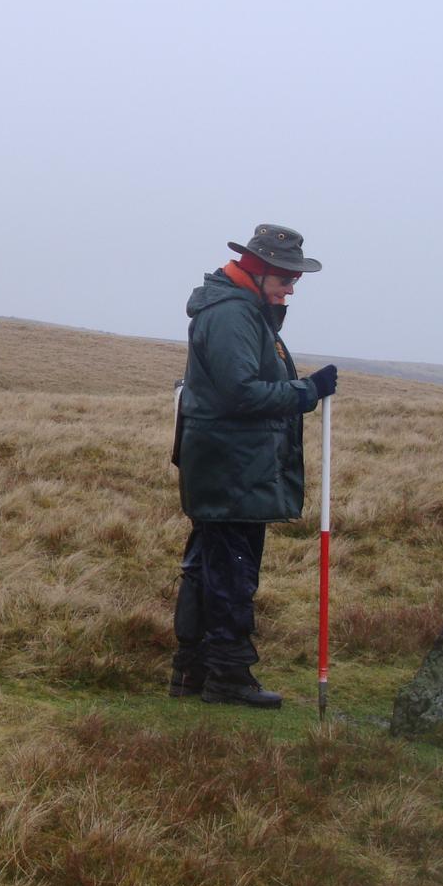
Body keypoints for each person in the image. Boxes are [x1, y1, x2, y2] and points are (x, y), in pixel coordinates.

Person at [171, 226, 337, 708]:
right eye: (285, 280)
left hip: (229, 466)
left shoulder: (242, 311)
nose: (291, 289)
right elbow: (241, 392)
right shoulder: (230, 315)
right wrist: (309, 392)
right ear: (256, 268)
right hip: (231, 468)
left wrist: (272, 310)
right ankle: (226, 677)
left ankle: (194, 673)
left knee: (211, 567)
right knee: (230, 573)